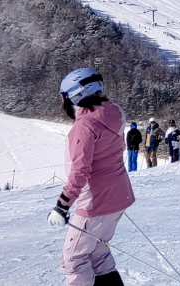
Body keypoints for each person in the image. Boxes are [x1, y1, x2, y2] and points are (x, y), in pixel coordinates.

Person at [47, 67, 134, 286]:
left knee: (73, 260)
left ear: (75, 95)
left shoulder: (84, 126)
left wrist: (62, 206)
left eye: (65, 97)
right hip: (119, 195)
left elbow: (80, 172)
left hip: (95, 202)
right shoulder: (114, 111)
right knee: (97, 254)